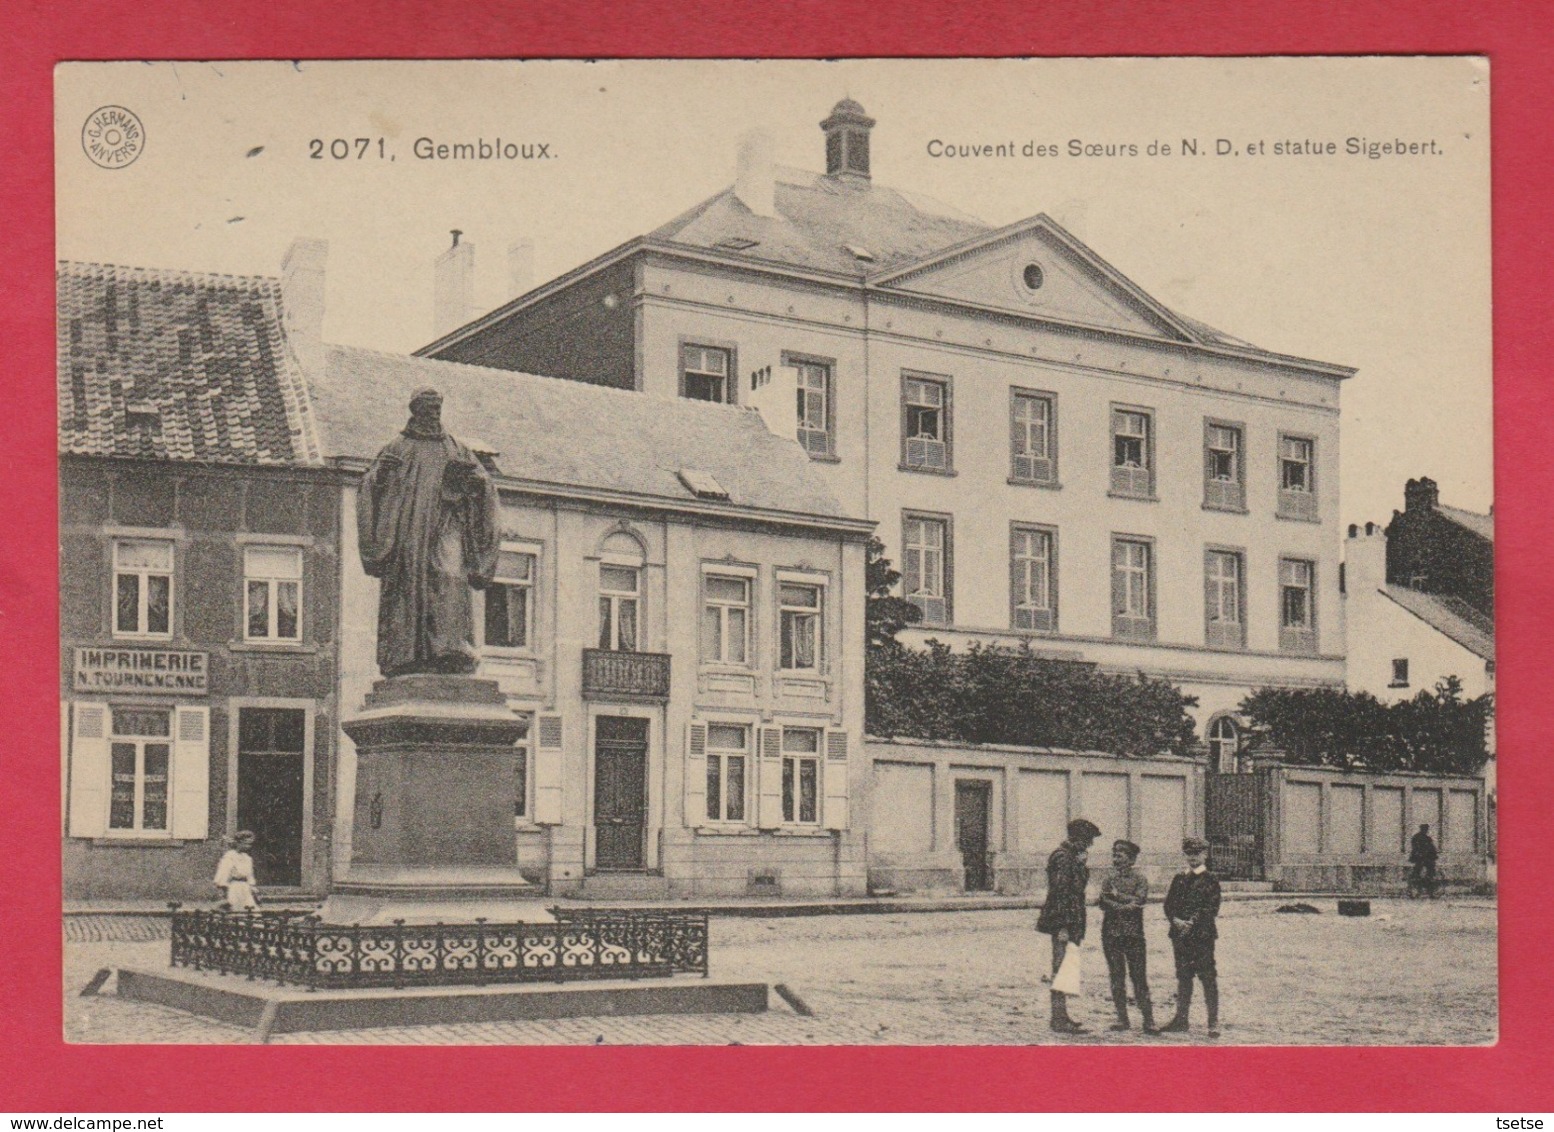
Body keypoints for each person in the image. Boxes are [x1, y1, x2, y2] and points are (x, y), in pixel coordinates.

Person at [356, 388, 501, 677]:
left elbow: (485, 484)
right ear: (415, 410)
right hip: (408, 533)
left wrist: (476, 482)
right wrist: (380, 476)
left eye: (438, 408)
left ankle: (451, 651)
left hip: (448, 525)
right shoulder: (396, 448)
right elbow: (369, 487)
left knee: (450, 576)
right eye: (428, 408)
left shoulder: (456, 448)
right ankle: (405, 655)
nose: (435, 413)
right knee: (408, 589)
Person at [1036, 817, 1102, 1033]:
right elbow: (1062, 892)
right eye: (1088, 840)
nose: (1090, 845)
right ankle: (1058, 1018)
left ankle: (1062, 1015)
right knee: (1060, 968)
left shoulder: (1070, 856)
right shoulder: (1064, 858)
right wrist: (1063, 926)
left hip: (1071, 920)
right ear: (1078, 839)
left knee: (1066, 967)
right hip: (1063, 921)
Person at [1159, 836, 1222, 1037]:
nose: (1193, 858)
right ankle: (1181, 1019)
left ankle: (1213, 1022)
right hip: (1180, 936)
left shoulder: (1211, 879)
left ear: (1205, 855)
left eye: (1197, 854)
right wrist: (1175, 920)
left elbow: (1211, 907)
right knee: (1183, 977)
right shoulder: (1179, 879)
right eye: (1189, 854)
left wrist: (1191, 923)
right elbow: (1168, 905)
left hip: (1202, 936)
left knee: (1207, 977)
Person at [1099, 839, 1155, 1032]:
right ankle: (1122, 1019)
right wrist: (1123, 904)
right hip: (1111, 934)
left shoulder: (1140, 879)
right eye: (1114, 855)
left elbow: (1139, 901)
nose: (1116, 860)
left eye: (1120, 856)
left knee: (1139, 977)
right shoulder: (1108, 879)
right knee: (1116, 977)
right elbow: (1102, 901)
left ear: (1131, 860)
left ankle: (1149, 1020)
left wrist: (1117, 897)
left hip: (1134, 935)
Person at [213, 830, 259, 912]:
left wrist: (252, 887)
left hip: (245, 888)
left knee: (251, 910)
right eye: (247, 843)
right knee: (235, 910)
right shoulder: (230, 856)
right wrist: (224, 890)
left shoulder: (247, 858)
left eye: (250, 844)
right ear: (239, 842)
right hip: (234, 888)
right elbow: (224, 873)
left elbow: (249, 875)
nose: (249, 846)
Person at [1409, 823, 1440, 898]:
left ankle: (1429, 890)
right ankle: (1420, 889)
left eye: (1426, 829)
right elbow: (1415, 848)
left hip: (1425, 858)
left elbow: (1432, 848)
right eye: (1425, 829)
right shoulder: (1417, 837)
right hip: (1420, 858)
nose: (1426, 831)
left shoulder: (1426, 838)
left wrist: (1434, 856)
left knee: (1430, 872)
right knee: (1418, 873)